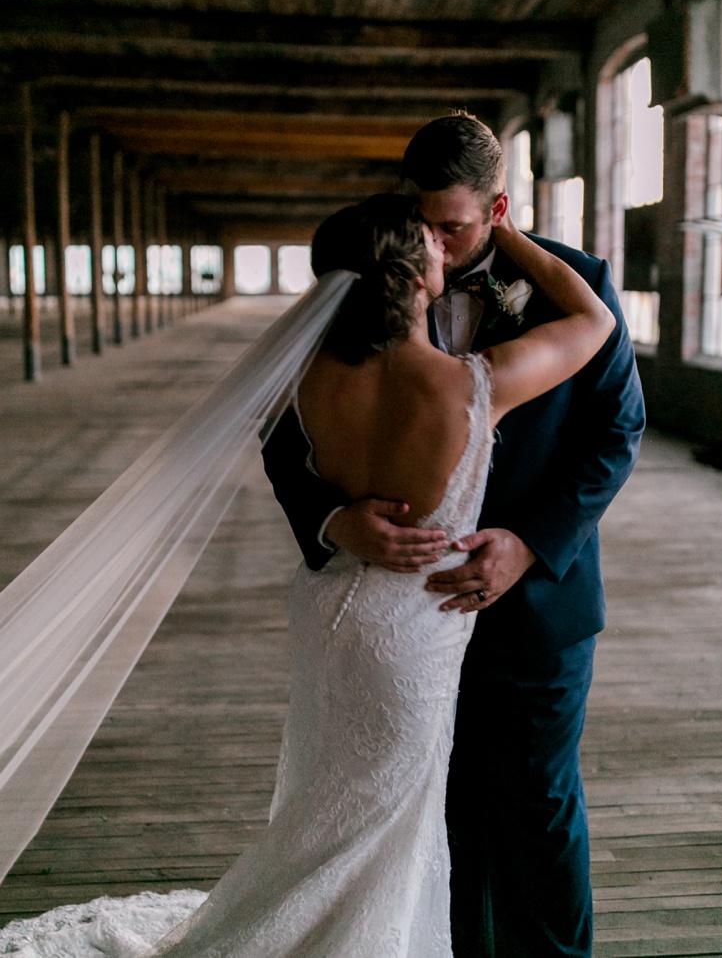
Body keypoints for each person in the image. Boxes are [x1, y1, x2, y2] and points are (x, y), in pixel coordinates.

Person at [0, 194, 617, 956]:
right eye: (430, 240)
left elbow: (277, 441)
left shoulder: (311, 376)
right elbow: (595, 322)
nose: (443, 246)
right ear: (413, 273)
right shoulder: (469, 385)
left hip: (333, 613)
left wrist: (336, 519)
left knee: (334, 804)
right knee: (376, 818)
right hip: (412, 630)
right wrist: (510, 236)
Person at [262, 115, 646, 956]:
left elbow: (618, 433)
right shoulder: (367, 283)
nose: (430, 242)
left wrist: (532, 543)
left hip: (536, 603)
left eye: (454, 228)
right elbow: (281, 434)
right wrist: (333, 520)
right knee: (436, 810)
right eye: (421, 220)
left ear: (499, 210)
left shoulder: (576, 281)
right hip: (400, 613)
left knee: (537, 804)